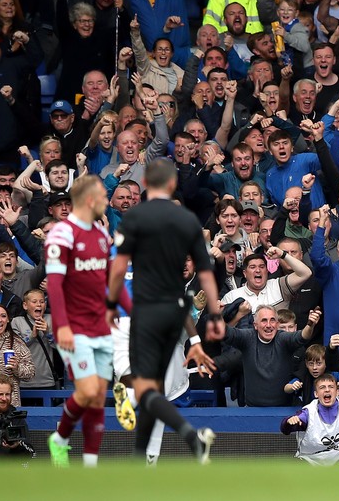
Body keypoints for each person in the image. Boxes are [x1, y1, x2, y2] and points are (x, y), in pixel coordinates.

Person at [107, 158, 223, 463]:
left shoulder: (130, 226)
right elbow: (200, 276)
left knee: (147, 391)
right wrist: (201, 334)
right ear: (172, 184)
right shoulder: (181, 227)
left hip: (129, 320)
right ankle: (158, 454)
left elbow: (115, 273)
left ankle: (128, 394)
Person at [45, 176, 117, 467]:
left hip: (101, 326)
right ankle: (60, 438)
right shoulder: (61, 233)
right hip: (73, 326)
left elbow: (110, 281)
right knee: (86, 392)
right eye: (102, 195)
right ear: (89, 199)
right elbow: (53, 285)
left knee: (98, 397)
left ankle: (90, 465)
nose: (107, 201)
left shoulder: (101, 235)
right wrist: (61, 325)